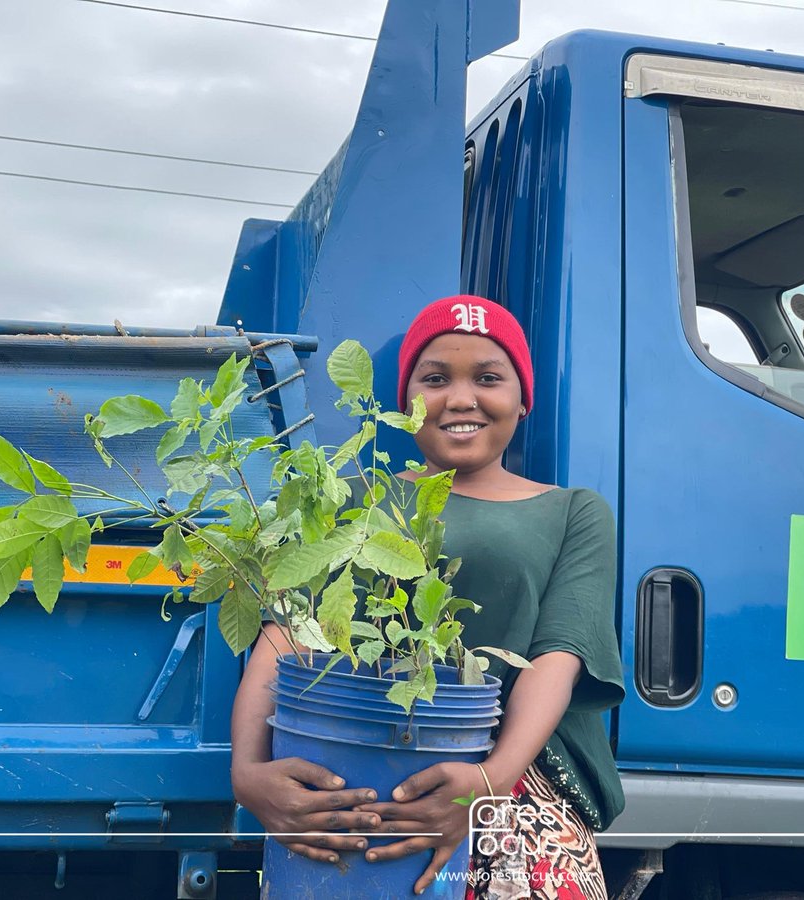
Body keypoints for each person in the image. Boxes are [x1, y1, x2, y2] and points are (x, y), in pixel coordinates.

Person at [230, 294, 625, 898]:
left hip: (509, 788)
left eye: (488, 378)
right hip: (355, 779)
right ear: (402, 402)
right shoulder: (358, 499)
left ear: (524, 399)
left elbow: (558, 658)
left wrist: (486, 787)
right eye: (435, 378)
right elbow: (288, 632)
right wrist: (248, 775)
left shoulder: (573, 512)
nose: (461, 398)